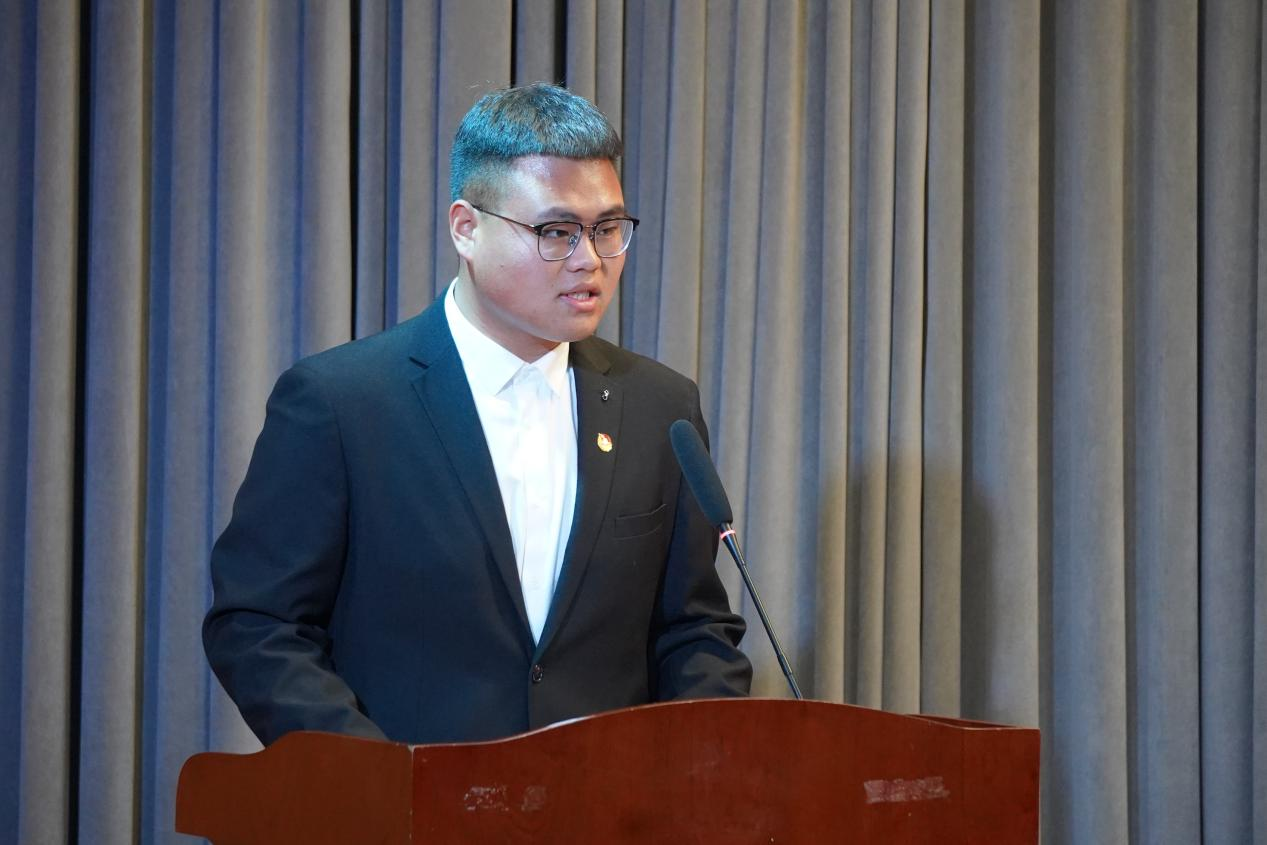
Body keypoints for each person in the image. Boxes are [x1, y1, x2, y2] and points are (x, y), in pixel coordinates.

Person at [203, 83, 752, 746]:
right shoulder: (340, 402)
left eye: (607, 229)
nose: (590, 261)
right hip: (402, 794)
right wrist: (376, 782)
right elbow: (259, 625)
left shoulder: (660, 406)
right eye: (556, 232)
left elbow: (693, 629)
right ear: (466, 228)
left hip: (609, 797)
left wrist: (689, 770)